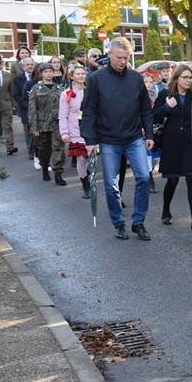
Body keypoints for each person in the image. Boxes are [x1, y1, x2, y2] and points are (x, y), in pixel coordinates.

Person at [81, 36, 155, 241]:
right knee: (111, 185)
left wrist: (149, 134)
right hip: (108, 139)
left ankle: (138, 221)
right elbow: (89, 110)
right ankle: (118, 223)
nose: (123, 61)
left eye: (126, 57)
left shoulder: (135, 78)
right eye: (119, 57)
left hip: (133, 137)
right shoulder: (96, 79)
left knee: (142, 177)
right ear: (110, 54)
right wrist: (90, 139)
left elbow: (145, 110)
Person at [154, 64, 192, 231]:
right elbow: (154, 117)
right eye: (186, 77)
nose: (189, 81)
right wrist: (168, 106)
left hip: (190, 143)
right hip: (172, 142)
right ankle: (166, 209)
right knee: (172, 180)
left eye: (191, 78)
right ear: (177, 78)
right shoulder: (165, 94)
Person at [27, 62, 66, 186]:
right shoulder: (36, 89)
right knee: (44, 149)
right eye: (45, 72)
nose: (48, 74)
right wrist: (33, 126)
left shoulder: (59, 89)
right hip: (42, 124)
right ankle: (44, 167)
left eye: (50, 71)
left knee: (58, 148)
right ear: (41, 73)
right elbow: (32, 108)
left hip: (57, 124)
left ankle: (58, 173)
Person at [59, 64, 91, 198]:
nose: (81, 76)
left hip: (91, 129)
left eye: (83, 73)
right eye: (78, 74)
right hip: (75, 130)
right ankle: (85, 185)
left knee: (90, 157)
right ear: (71, 77)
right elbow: (62, 114)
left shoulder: (91, 91)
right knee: (81, 158)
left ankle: (88, 175)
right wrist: (64, 132)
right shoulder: (66, 94)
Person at [12, 57, 36, 161]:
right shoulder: (17, 79)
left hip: (38, 110)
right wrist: (27, 104)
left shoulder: (37, 79)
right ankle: (31, 152)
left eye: (32, 64)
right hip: (25, 109)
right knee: (29, 131)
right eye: (28, 65)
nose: (30, 66)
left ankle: (38, 151)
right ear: (23, 66)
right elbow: (16, 95)